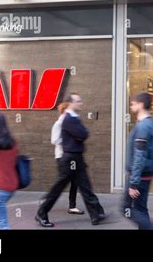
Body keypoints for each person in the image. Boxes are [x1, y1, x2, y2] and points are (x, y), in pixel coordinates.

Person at [36, 93, 106, 227]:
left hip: (75, 157)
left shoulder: (73, 118)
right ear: (71, 103)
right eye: (78, 101)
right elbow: (83, 134)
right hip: (69, 158)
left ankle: (96, 214)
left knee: (85, 186)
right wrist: (79, 137)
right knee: (59, 187)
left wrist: (80, 136)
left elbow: (83, 134)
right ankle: (41, 213)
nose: (81, 103)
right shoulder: (68, 119)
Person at [122, 92, 153, 229]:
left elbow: (139, 155)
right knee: (140, 209)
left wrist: (133, 183)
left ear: (141, 105)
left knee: (126, 209)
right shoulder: (148, 123)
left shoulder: (143, 126)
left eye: (133, 103)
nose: (131, 106)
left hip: (140, 176)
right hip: (144, 174)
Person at [51, 102, 84, 215]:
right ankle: (47, 202)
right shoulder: (58, 124)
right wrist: (67, 143)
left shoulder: (69, 123)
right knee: (62, 182)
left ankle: (72, 206)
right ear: (64, 111)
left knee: (74, 182)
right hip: (61, 156)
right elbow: (54, 140)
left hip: (70, 156)